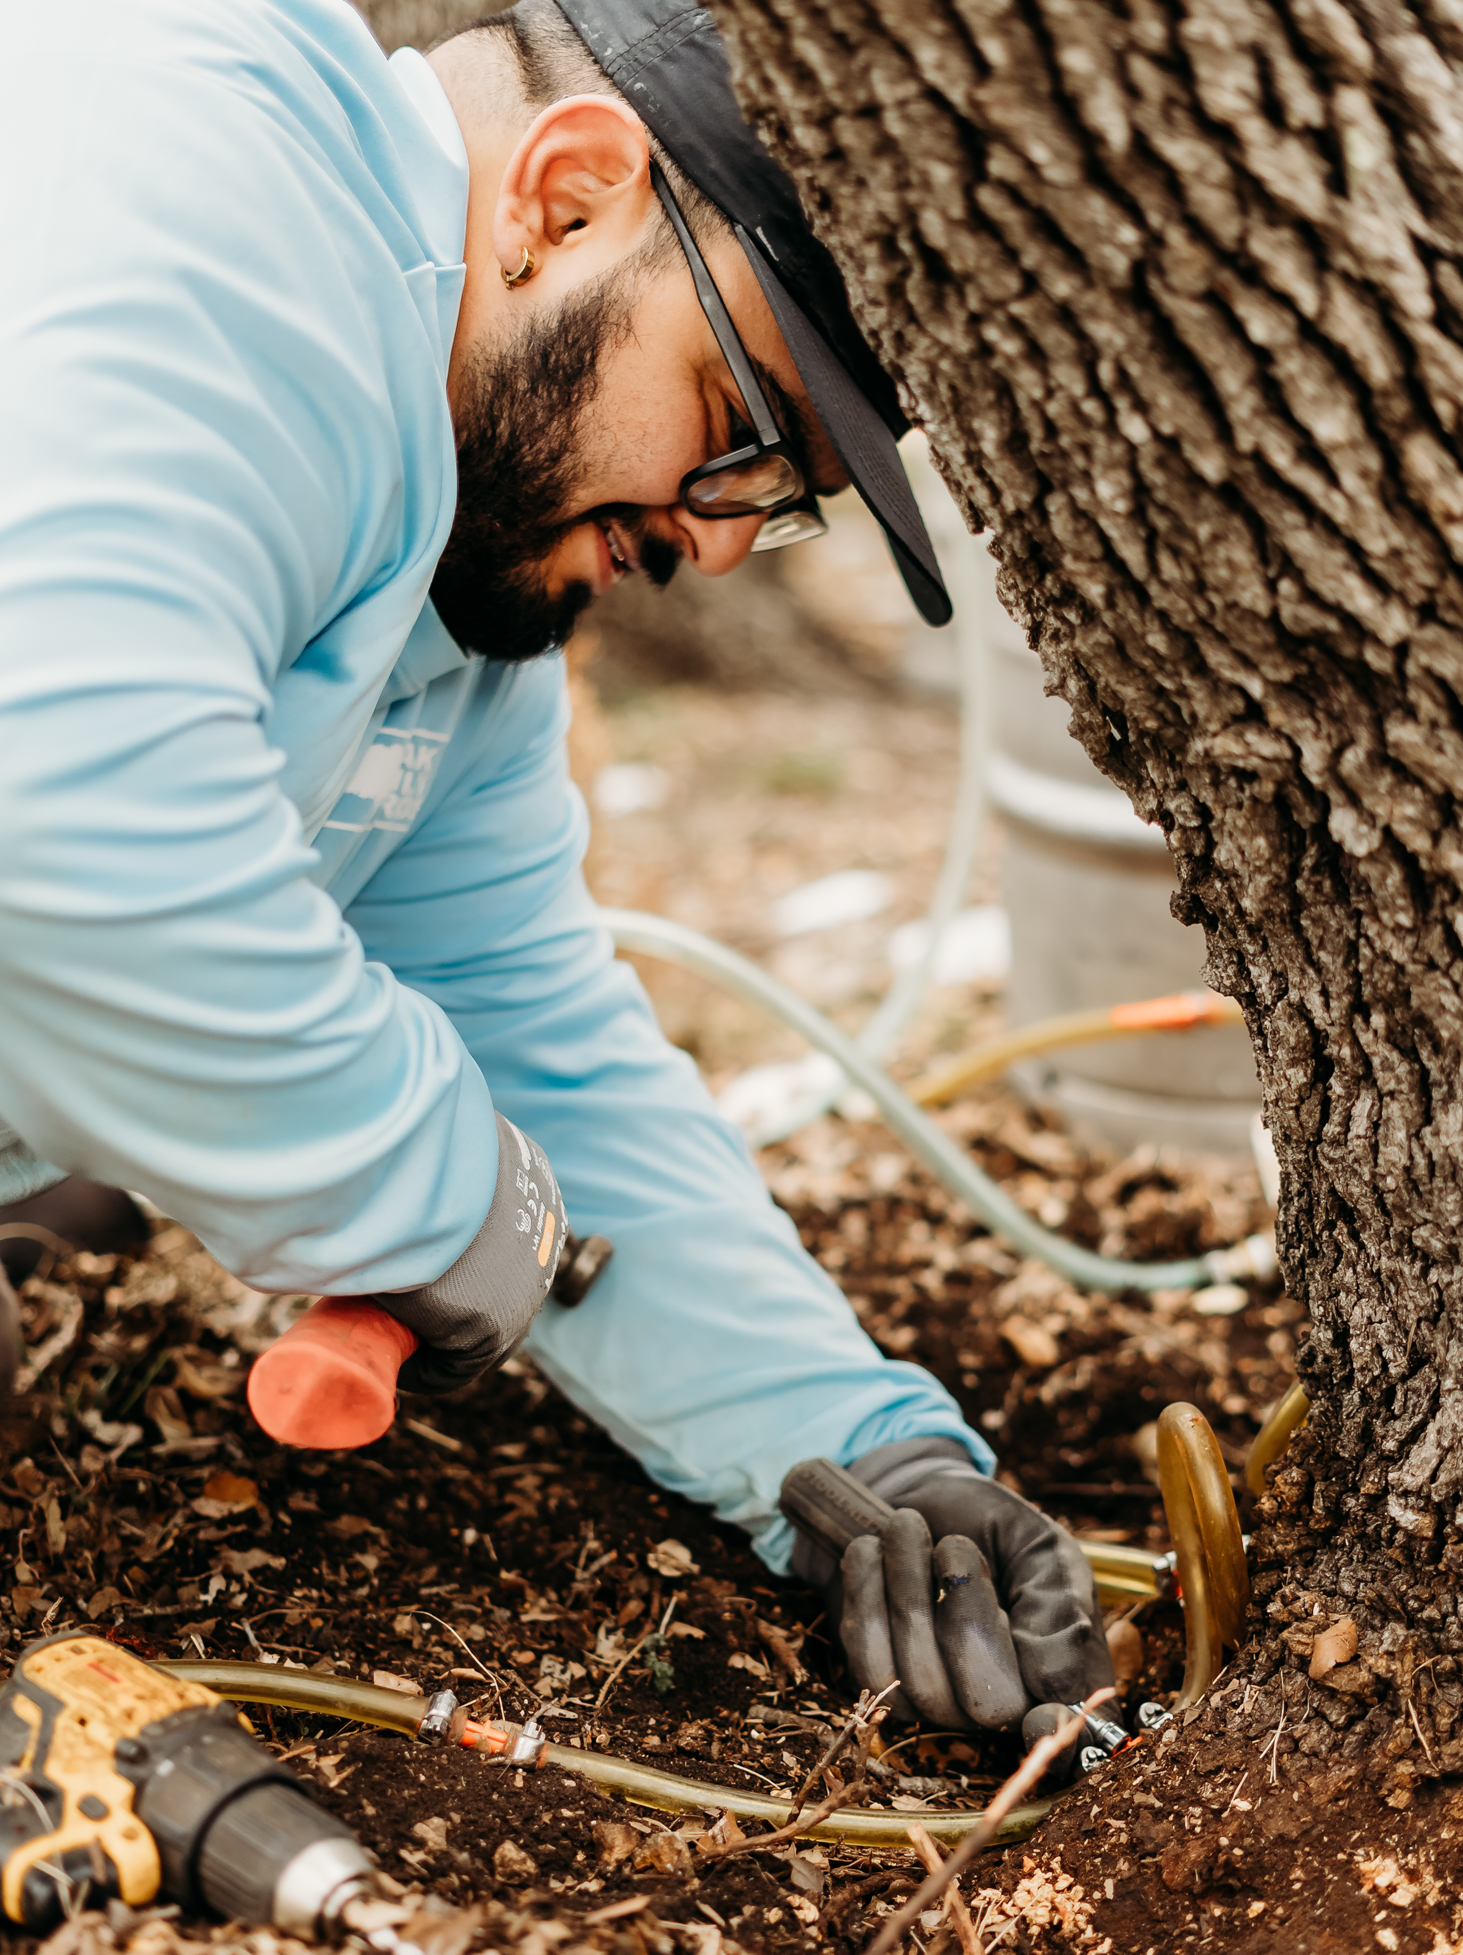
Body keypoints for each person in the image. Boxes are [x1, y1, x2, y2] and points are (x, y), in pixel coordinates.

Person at [0, 0, 1111, 1740]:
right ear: (567, 195)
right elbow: (57, 806)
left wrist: (860, 1446)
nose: (727, 541)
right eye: (739, 411)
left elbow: (523, 1019)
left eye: (792, 496)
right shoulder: (192, 177)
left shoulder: (449, 585)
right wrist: (436, 1200)